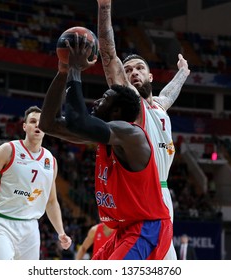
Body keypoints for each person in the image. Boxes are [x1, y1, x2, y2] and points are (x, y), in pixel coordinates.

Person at [39, 33, 172, 260]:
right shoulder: (108, 135)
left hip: (148, 228)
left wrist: (75, 69)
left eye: (105, 98)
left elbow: (77, 120)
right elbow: (48, 123)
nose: (97, 101)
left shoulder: (131, 134)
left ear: (117, 112)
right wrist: (62, 72)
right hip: (127, 229)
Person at [96, 0, 190, 260]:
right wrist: (104, 8)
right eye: (128, 71)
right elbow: (108, 55)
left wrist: (183, 72)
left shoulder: (159, 107)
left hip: (163, 194)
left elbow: (169, 94)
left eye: (139, 68)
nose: (133, 73)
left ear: (150, 77)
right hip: (142, 195)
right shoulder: (133, 105)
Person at [0, 106, 72, 260]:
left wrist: (61, 232)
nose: (37, 125)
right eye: (33, 121)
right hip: (0, 222)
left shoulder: (51, 161)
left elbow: (51, 201)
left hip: (30, 227)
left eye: (41, 122)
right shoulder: (8, 150)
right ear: (24, 126)